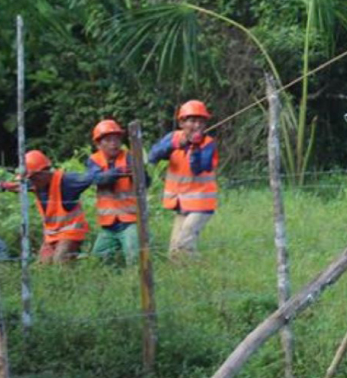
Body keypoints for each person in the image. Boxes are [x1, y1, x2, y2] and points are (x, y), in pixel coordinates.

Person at [25, 149, 121, 264]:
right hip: (52, 235)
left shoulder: (67, 181)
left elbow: (92, 178)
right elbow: (19, 186)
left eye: (33, 178)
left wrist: (117, 172)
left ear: (44, 172)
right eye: (30, 179)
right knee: (43, 265)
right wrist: (5, 185)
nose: (32, 182)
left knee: (60, 259)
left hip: (71, 231)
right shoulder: (36, 184)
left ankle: (70, 273)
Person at [149, 100, 218, 256]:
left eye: (201, 122)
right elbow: (153, 156)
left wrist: (194, 148)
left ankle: (194, 267)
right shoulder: (173, 137)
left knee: (184, 243)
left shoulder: (208, 144)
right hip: (181, 202)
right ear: (181, 123)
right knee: (174, 250)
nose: (197, 126)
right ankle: (187, 269)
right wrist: (174, 145)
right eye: (192, 121)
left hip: (201, 203)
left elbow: (199, 168)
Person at [87, 119, 144, 264]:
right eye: (108, 140)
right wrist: (119, 172)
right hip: (108, 224)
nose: (114, 143)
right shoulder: (94, 160)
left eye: (116, 139)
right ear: (98, 144)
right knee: (97, 260)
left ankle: (133, 276)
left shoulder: (130, 156)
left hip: (130, 221)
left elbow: (145, 181)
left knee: (135, 258)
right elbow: (97, 179)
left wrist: (138, 172)